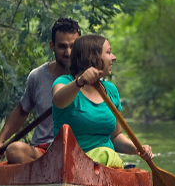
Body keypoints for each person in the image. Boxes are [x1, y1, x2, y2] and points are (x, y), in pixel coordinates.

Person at [0, 18, 81, 164]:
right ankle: (49, 167)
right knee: (14, 150)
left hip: (79, 150)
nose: (68, 53)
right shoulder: (37, 76)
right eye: (62, 46)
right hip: (42, 151)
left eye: (73, 46)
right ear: (52, 46)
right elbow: (22, 111)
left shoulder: (90, 78)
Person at [51, 34, 152, 168]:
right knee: (106, 153)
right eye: (109, 52)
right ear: (92, 58)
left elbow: (116, 137)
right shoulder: (64, 82)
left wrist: (138, 149)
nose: (113, 57)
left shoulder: (111, 90)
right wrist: (79, 82)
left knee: (107, 153)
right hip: (70, 163)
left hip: (105, 165)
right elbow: (59, 101)